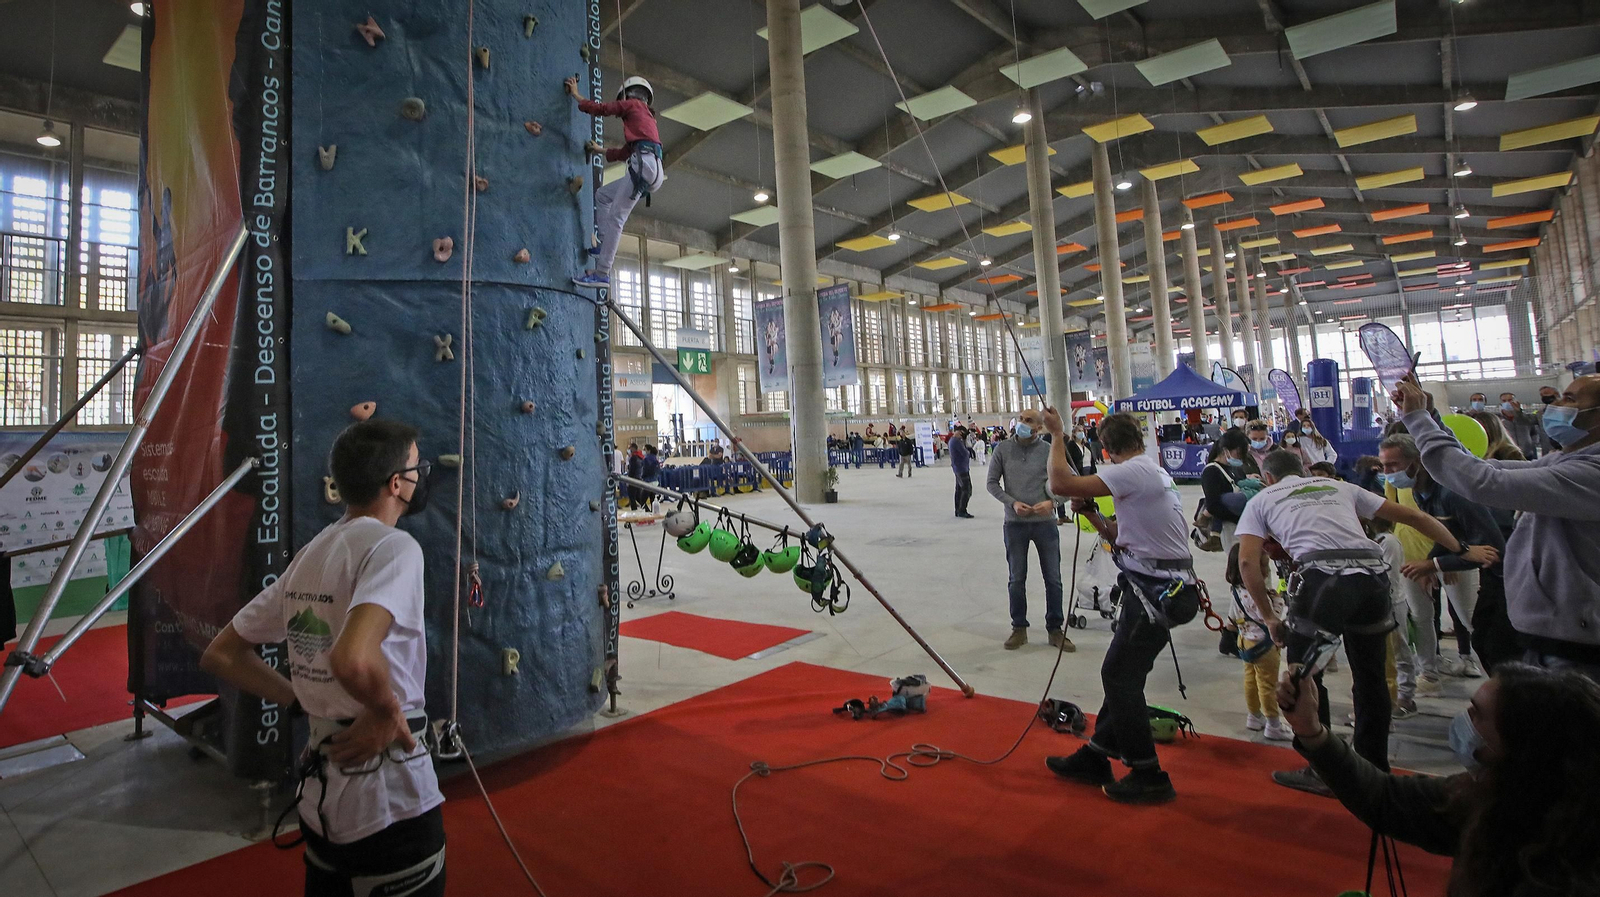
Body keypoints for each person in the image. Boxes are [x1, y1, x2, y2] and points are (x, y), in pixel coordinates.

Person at [200, 420, 445, 896]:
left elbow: (223, 654)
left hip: (323, 800)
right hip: (390, 799)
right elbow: (351, 658)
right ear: (397, 483)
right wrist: (384, 709)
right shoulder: (395, 548)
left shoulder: (316, 550)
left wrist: (300, 703)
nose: (421, 475)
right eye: (417, 466)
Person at [1234, 449, 1481, 796]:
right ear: (1303, 471)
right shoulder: (1339, 486)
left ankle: (1324, 769)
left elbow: (1247, 563)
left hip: (1322, 580)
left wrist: (1270, 617)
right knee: (1371, 678)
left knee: (1304, 679)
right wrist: (1461, 548)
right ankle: (1372, 768)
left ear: (1268, 477)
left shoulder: (1262, 499)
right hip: (1372, 577)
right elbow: (1412, 516)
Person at [1276, 663, 1600, 897]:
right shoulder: (1490, 793)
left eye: (1477, 714)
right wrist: (1311, 730)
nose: (1465, 721)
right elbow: (1387, 799)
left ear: (1524, 748)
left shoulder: (1564, 878)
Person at [1393, 373, 1600, 679]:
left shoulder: (1590, 472)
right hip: (1549, 639)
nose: (1556, 404)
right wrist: (1431, 418)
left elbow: (1484, 482)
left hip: (1576, 650)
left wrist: (1418, 419)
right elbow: (1485, 468)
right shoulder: (1560, 462)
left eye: (1570, 399)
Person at [1039, 410, 1195, 804]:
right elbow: (1124, 538)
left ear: (1105, 449)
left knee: (1120, 678)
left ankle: (1148, 772)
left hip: (1156, 592)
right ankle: (1097, 755)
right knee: (1124, 675)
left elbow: (1059, 483)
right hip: (1157, 587)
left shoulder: (1134, 473)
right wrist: (1092, 513)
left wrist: (1057, 435)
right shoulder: (1152, 473)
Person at [985, 408, 1071, 652]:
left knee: (1053, 579)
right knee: (1016, 579)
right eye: (1021, 419)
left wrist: (1052, 503)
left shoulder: (1048, 451)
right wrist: (1011, 502)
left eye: (1028, 421)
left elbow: (1069, 482)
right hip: (1015, 525)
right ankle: (1019, 628)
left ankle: (1055, 629)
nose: (1022, 423)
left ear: (1039, 428)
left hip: (1045, 524)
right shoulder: (1002, 449)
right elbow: (992, 483)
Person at [568, 76, 665, 289]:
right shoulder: (646, 119)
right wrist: (600, 150)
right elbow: (623, 152)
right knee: (603, 196)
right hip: (652, 168)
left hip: (644, 165)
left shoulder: (632, 105)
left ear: (626, 94)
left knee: (616, 218)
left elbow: (602, 109)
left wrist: (576, 95)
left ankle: (602, 273)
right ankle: (603, 248)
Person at [1226, 543, 1293, 742]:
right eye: (1263, 566)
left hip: (1245, 641)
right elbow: (1272, 617)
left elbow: (1232, 617)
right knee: (1268, 685)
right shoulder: (1259, 594)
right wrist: (1279, 601)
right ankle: (1273, 724)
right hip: (1264, 644)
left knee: (1250, 679)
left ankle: (1254, 715)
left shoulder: (1236, 591)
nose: (1266, 571)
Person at [1369, 514, 1419, 718]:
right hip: (1382, 601)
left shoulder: (1389, 541)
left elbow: (1387, 575)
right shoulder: (1376, 540)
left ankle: (1406, 696)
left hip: (1393, 602)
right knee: (1388, 652)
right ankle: (1392, 693)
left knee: (1400, 648)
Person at [1200, 429, 1254, 554]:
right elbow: (1213, 505)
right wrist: (1238, 517)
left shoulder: (1236, 468)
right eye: (1240, 452)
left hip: (1245, 525)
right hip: (1229, 526)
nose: (1242, 457)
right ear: (1226, 450)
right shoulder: (1211, 471)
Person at [1496, 392, 1540, 459]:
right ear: (1501, 404)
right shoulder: (1497, 419)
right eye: (1504, 401)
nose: (1507, 403)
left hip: (1528, 454)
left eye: (1510, 400)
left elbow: (1534, 432)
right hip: (1507, 455)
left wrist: (1532, 444)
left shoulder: (1525, 418)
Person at [949, 425, 974, 519]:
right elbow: (966, 453)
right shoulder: (957, 442)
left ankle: (958, 509)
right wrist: (965, 444)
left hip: (958, 468)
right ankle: (962, 510)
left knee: (959, 490)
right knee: (967, 490)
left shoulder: (952, 440)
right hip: (962, 469)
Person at [1534, 384, 1560, 455]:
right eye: (1541, 395)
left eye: (1546, 393)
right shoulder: (1540, 412)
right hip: (1548, 450)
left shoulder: (1567, 410)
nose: (1544, 396)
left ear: (1556, 394)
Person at [638, 445, 661, 509]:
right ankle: (653, 514)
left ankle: (647, 513)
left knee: (642, 501)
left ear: (649, 450)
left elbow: (645, 470)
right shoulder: (656, 459)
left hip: (647, 482)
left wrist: (642, 477)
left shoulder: (646, 459)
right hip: (655, 482)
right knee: (653, 500)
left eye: (644, 449)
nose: (643, 451)